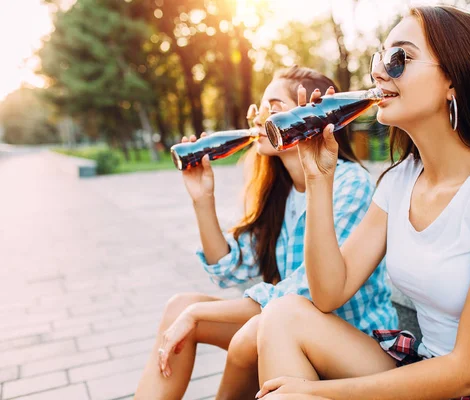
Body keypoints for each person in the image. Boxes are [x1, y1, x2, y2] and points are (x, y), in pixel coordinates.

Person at [254, 6, 470, 400]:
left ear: (453, 80)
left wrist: (321, 393)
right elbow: (328, 293)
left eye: (399, 58)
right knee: (282, 316)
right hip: (431, 369)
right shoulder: (401, 180)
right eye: (379, 58)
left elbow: (469, 373)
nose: (378, 72)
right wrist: (320, 180)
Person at [134, 66, 398, 400]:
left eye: (272, 109)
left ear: (309, 117)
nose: (259, 119)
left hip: (351, 342)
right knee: (179, 306)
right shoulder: (281, 191)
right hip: (286, 324)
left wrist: (198, 313)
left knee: (239, 329)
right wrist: (203, 200)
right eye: (257, 110)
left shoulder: (349, 184)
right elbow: (231, 268)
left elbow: (304, 293)